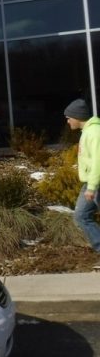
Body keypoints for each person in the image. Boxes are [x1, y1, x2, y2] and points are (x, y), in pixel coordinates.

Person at [65, 98, 100, 255]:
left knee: (82, 216)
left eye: (69, 118)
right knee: (81, 216)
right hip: (91, 183)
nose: (68, 121)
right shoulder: (87, 131)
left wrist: (91, 187)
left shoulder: (94, 132)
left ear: (77, 117)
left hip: (95, 183)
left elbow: (98, 162)